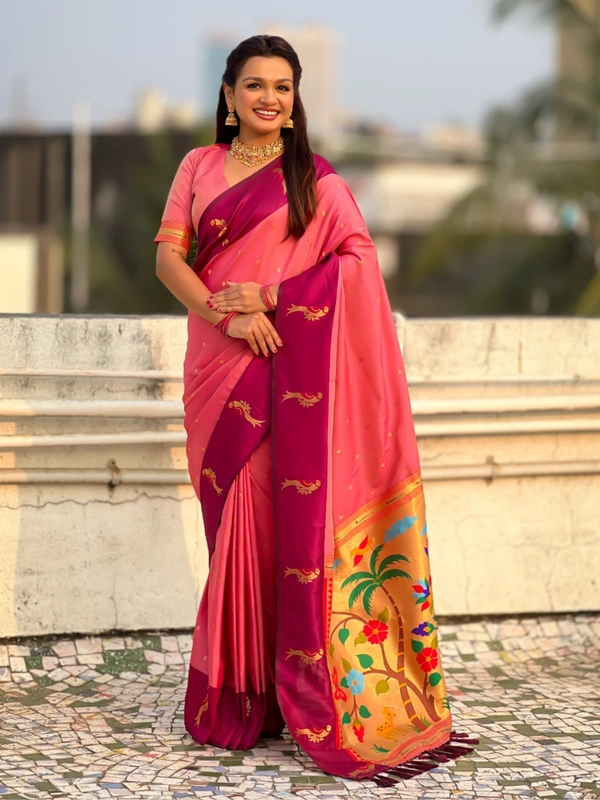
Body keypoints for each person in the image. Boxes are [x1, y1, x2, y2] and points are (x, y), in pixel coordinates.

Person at [154, 34, 477, 786]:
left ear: (295, 100)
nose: (268, 98)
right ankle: (241, 687)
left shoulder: (316, 181)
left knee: (265, 526)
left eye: (282, 86)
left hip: (282, 371)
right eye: (254, 84)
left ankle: (271, 692)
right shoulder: (196, 167)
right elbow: (168, 257)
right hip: (215, 365)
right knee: (228, 524)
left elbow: (358, 266)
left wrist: (272, 297)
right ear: (228, 95)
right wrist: (230, 315)